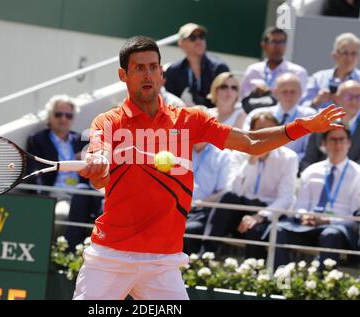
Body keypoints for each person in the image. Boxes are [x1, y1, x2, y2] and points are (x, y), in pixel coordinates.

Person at [73, 36, 345, 300]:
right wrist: (96, 164)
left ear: (162, 73)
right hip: (111, 255)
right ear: (123, 75)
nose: (148, 75)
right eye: (139, 68)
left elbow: (250, 142)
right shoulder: (107, 122)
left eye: (153, 67)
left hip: (163, 261)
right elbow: (99, 173)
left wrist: (303, 127)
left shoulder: (189, 119)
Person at [207, 112, 299, 259]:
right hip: (242, 206)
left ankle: (253, 273)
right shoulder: (239, 153)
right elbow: (234, 190)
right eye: (261, 129)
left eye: (271, 129)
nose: (266, 133)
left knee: (254, 229)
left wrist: (260, 216)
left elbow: (285, 198)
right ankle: (207, 254)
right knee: (228, 199)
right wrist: (252, 161)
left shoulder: (289, 158)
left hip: (267, 211)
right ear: (252, 132)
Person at [275, 126, 360, 268]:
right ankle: (282, 282)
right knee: (278, 230)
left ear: (349, 143)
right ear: (324, 143)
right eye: (333, 139)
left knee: (330, 234)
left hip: (338, 228)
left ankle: (320, 286)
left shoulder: (358, 174)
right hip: (308, 225)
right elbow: (301, 205)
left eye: (341, 139)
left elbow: (354, 217)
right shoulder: (312, 170)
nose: (337, 144)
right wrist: (304, 216)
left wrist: (327, 221)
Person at [244, 73, 316, 160]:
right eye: (284, 91)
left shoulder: (310, 116)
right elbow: (246, 142)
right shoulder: (257, 114)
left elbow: (309, 152)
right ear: (275, 92)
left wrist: (285, 161)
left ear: (301, 93)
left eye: (293, 91)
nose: (288, 96)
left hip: (295, 167)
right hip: (258, 163)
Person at [26, 95, 88, 191]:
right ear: (49, 116)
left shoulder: (81, 140)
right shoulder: (38, 140)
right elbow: (33, 173)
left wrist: (88, 160)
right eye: (58, 114)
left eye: (68, 116)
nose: (63, 119)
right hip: (55, 193)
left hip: (81, 193)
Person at [164, 23, 230, 107]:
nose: (198, 41)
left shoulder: (219, 68)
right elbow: (169, 100)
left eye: (201, 36)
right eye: (192, 37)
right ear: (181, 44)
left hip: (212, 117)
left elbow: (226, 101)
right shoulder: (173, 71)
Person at [300, 80, 360, 172]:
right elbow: (309, 159)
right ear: (337, 98)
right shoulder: (322, 123)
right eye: (348, 96)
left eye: (358, 97)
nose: (354, 100)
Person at [184, 142, 232, 254]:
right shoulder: (178, 149)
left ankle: (189, 268)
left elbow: (223, 192)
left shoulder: (223, 155)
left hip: (203, 210)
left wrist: (197, 203)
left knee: (188, 230)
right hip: (177, 206)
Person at [240, 27, 308, 101]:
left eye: (282, 42)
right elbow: (242, 97)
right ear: (264, 45)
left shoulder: (297, 72)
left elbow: (301, 101)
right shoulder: (253, 70)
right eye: (273, 41)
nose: (278, 46)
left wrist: (273, 93)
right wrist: (254, 93)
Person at [302, 33, 360, 109]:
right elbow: (302, 109)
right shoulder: (318, 78)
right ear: (334, 55)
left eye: (353, 53)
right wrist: (317, 101)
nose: (349, 58)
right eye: (345, 53)